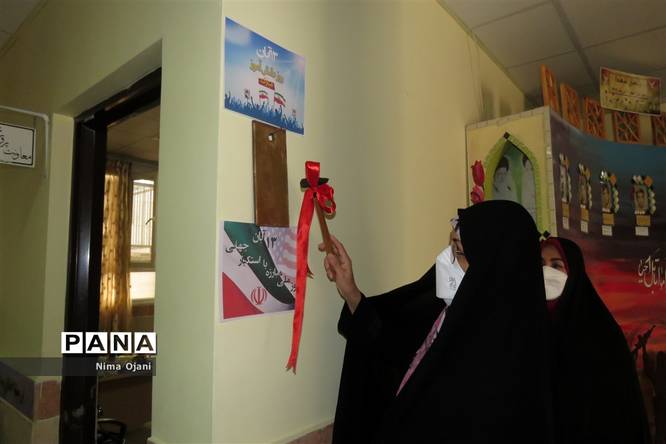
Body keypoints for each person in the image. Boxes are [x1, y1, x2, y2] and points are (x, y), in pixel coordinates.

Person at [325, 200, 552, 443]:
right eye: (450, 245)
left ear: (496, 270)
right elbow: (389, 351)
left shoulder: (507, 369)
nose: (444, 259)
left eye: (459, 252)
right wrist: (351, 294)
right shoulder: (443, 313)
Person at [541, 237, 651, 444]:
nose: (547, 272)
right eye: (541, 264)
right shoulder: (530, 327)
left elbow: (617, 413)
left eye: (556, 266)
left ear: (573, 272)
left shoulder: (599, 332)